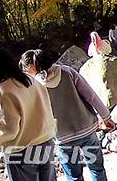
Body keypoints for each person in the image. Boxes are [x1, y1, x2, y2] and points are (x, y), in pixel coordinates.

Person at [20, 49, 115, 181]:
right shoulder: (67, 71)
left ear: (31, 68)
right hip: (87, 128)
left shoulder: (35, 86)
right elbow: (90, 95)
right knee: (97, 169)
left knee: (74, 176)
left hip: (63, 137)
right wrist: (106, 117)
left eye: (25, 70)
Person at [0, 46, 57, 181]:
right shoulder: (31, 79)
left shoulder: (2, 91)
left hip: (21, 150)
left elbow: (10, 130)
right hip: (46, 142)